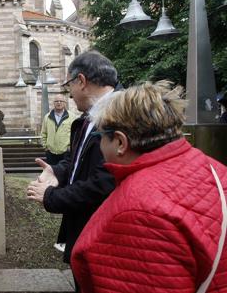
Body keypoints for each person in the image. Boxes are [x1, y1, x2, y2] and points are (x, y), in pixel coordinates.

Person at [72, 81, 227, 292]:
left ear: (120, 143)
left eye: (99, 136)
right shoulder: (216, 170)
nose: (99, 145)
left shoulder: (135, 213)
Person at [27, 50, 117, 292]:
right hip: (84, 225)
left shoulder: (119, 117)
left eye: (69, 85)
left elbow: (105, 182)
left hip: (105, 231)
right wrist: (56, 171)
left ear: (82, 81)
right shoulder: (89, 118)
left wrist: (51, 197)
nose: (68, 93)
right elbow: (75, 159)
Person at [41, 94, 76, 165]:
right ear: (53, 103)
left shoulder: (72, 117)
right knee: (52, 174)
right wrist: (45, 147)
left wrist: (70, 148)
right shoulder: (47, 117)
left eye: (61, 101)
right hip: (51, 153)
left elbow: (75, 133)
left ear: (65, 103)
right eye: (56, 101)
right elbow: (43, 133)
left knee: (65, 174)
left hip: (66, 153)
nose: (59, 103)